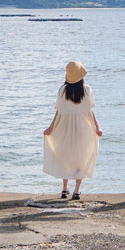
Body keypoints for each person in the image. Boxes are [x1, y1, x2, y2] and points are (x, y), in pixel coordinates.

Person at [43, 60, 102, 199]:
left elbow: (59, 111)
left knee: (65, 157)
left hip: (64, 127)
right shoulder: (87, 90)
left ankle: (64, 189)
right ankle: (76, 191)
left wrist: (51, 127)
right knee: (81, 158)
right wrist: (97, 127)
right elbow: (90, 111)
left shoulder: (62, 91)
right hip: (83, 128)